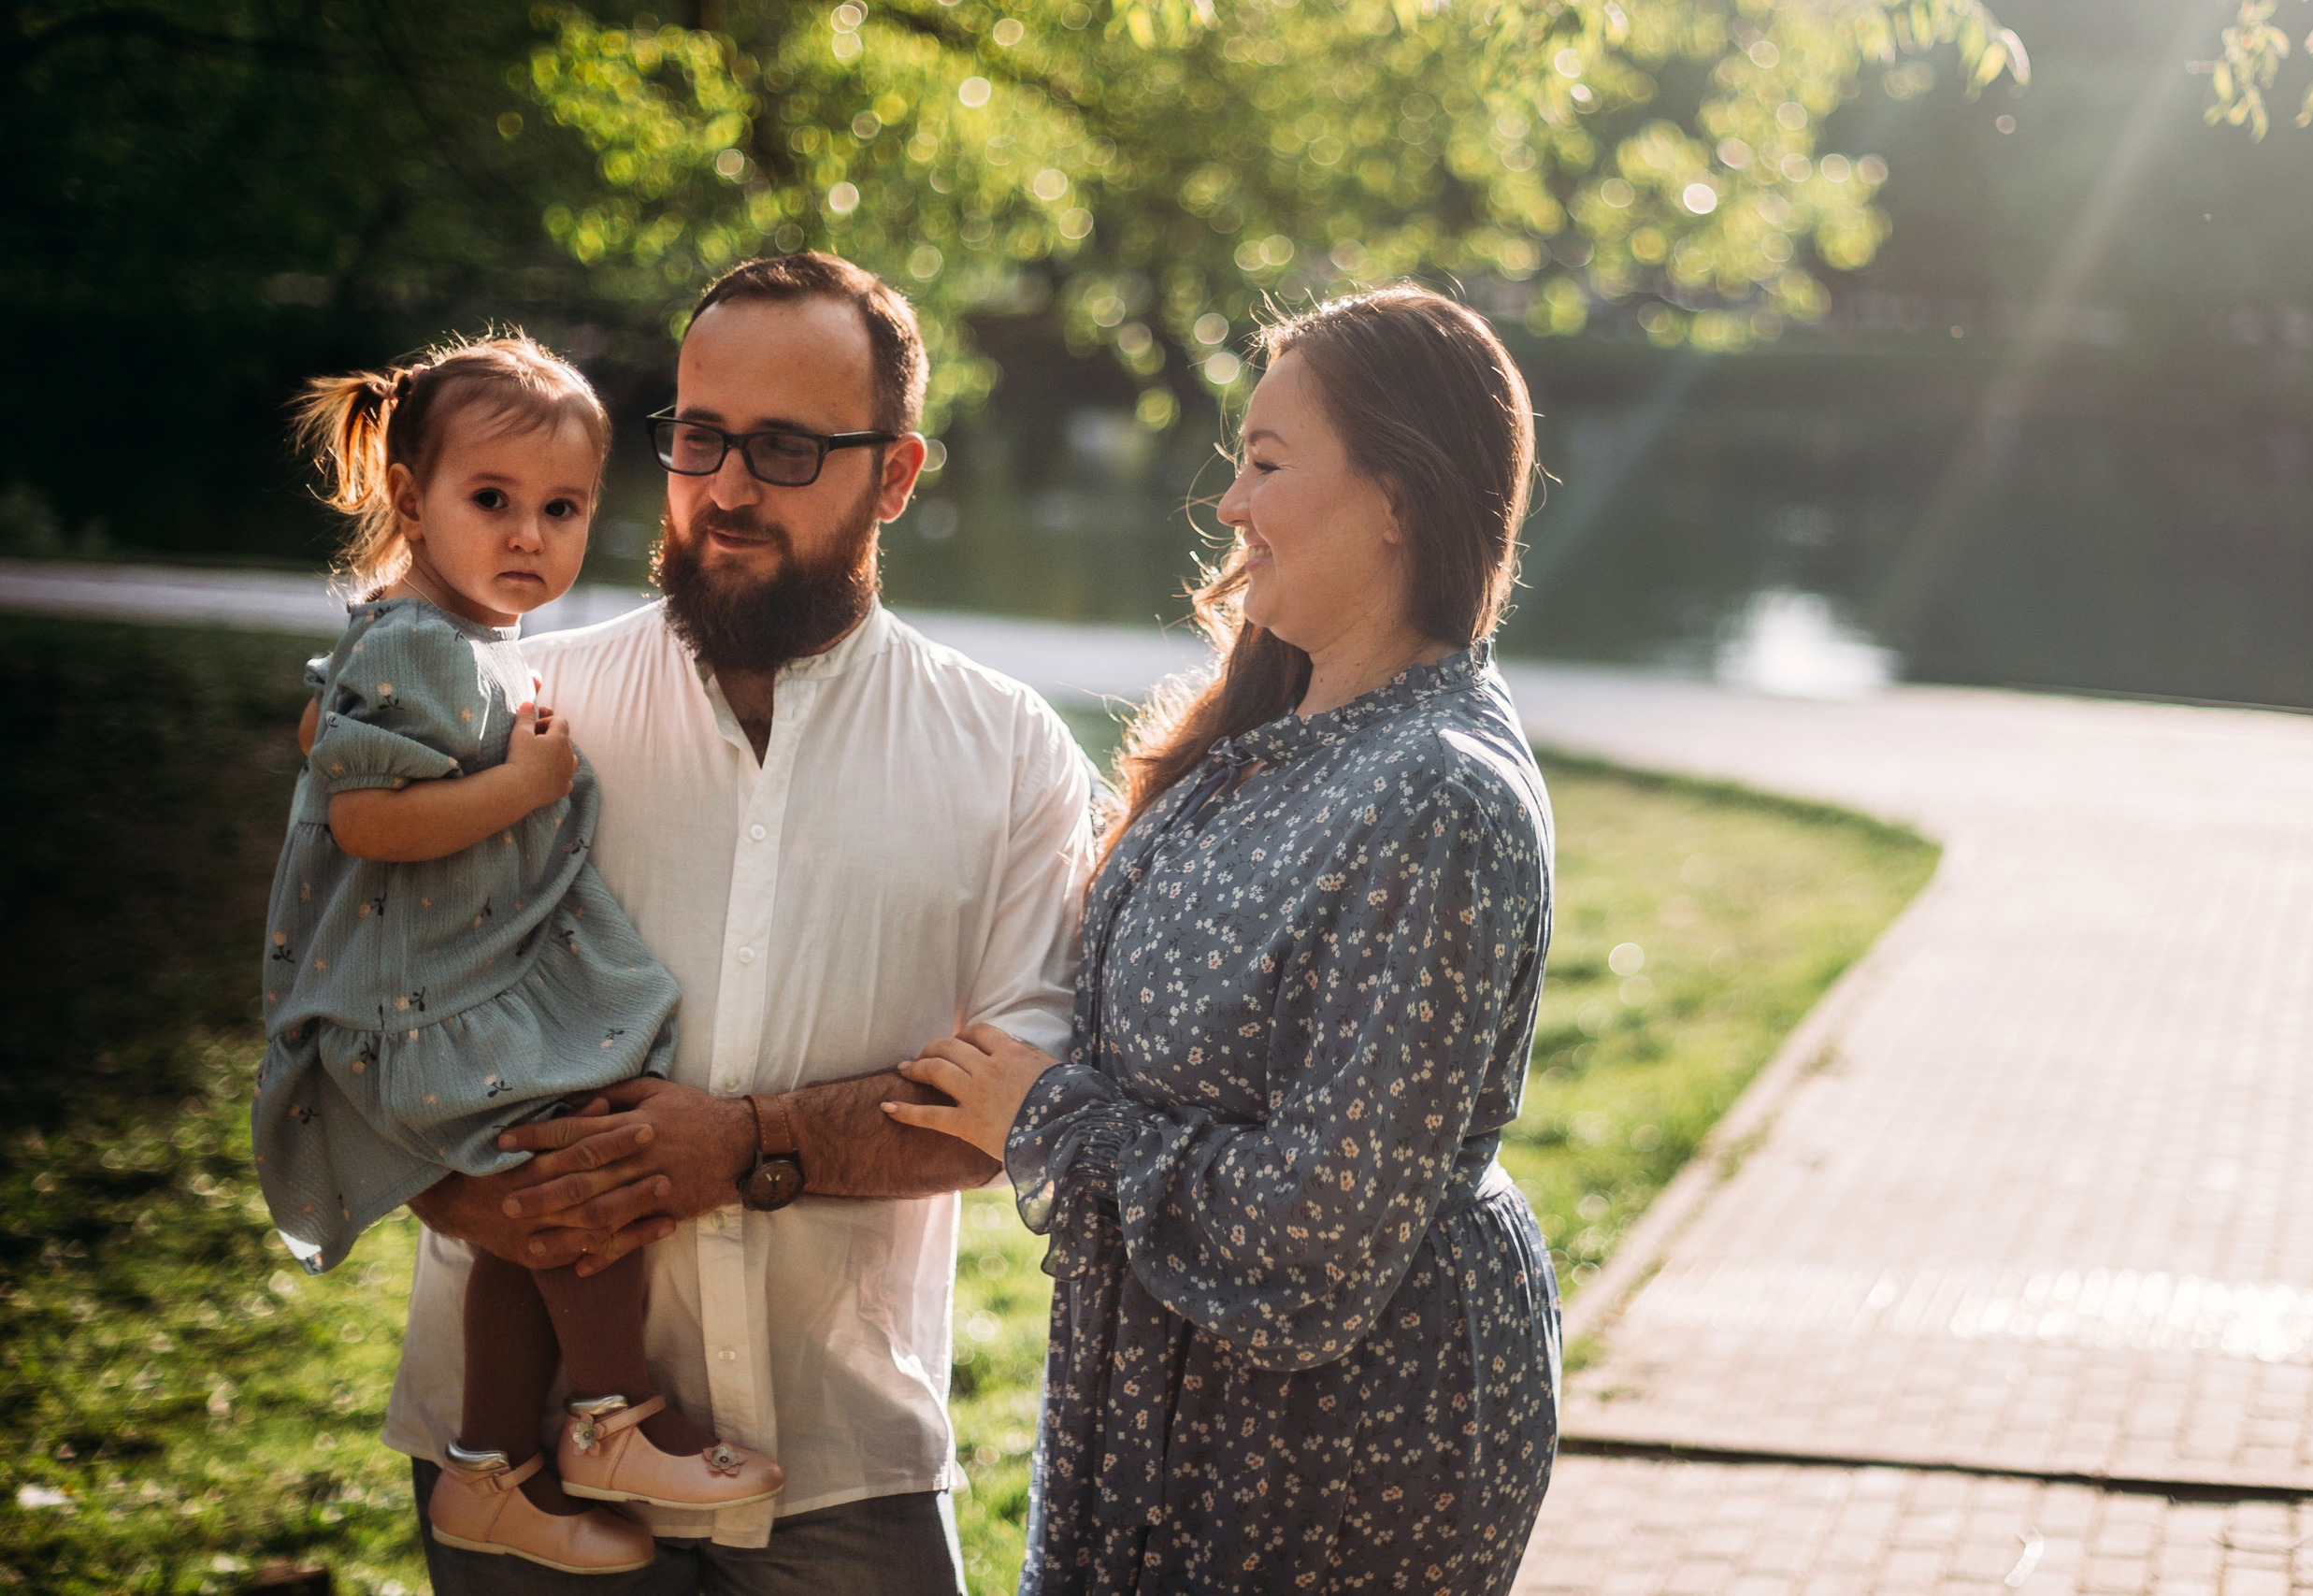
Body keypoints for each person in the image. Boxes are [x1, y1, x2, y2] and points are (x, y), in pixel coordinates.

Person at [371, 255, 1095, 1594]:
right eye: (699, 437)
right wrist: (465, 1191)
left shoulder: (1008, 754)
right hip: (520, 1470)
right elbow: (361, 1025)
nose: (726, 487)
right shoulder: (517, 707)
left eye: (787, 449)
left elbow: (1015, 1105)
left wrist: (746, 1145)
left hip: (843, 1460)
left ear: (895, 475)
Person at [886, 285, 1563, 1593]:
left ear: (1397, 498)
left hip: (1331, 1444)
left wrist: (1046, 1118)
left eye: (1266, 463)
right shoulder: (1275, 732)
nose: (1231, 505)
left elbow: (1318, 1240)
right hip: (1166, 1395)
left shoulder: (1438, 795)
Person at [260, 335, 783, 1580]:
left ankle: (491, 1472)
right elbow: (367, 822)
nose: (528, 537)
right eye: (491, 500)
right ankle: (611, 1416)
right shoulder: (420, 641)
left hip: (445, 980)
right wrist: (523, 785)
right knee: (581, 1160)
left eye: (562, 509)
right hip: (417, 1000)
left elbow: (337, 734)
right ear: (410, 498)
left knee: (528, 1212)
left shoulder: (437, 633)